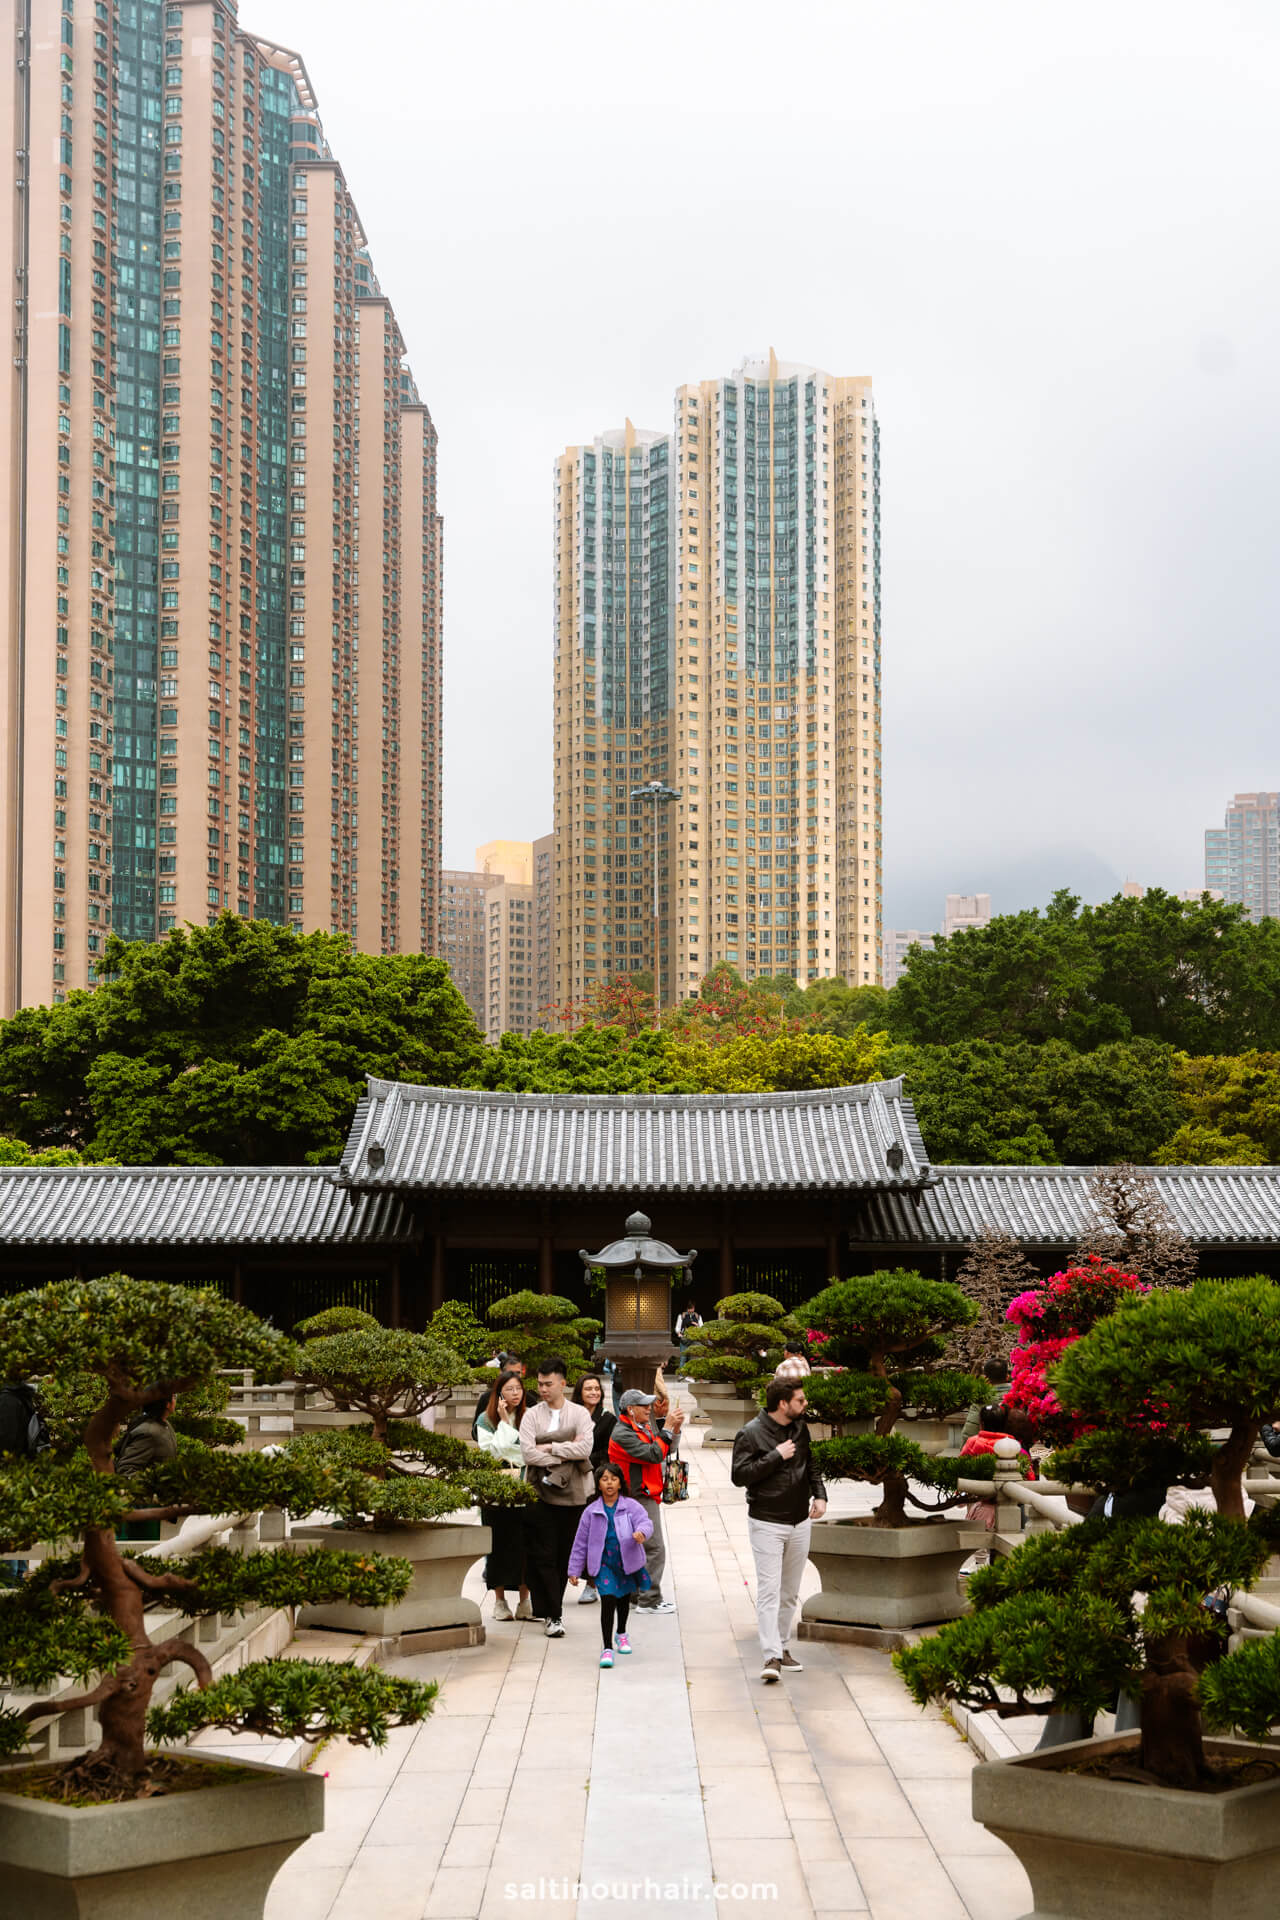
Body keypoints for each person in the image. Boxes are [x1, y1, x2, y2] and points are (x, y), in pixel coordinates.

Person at [731, 1377, 827, 1684]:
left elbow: (811, 1464)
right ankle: (770, 1656)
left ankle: (783, 1647)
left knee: (789, 1592)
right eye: (800, 1400)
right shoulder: (750, 1432)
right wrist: (775, 1456)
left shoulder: (800, 1428)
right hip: (767, 1521)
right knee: (769, 1591)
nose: (805, 1403)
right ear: (783, 1404)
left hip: (800, 1521)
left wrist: (820, 1494)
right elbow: (739, 1475)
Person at [518, 1356, 595, 1638]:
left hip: (572, 1496)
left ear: (563, 1384)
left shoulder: (579, 1414)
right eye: (540, 1383)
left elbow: (585, 1449)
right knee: (543, 1554)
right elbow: (528, 1454)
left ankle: (553, 1610)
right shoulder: (531, 1415)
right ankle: (553, 1613)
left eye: (548, 1384)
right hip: (538, 1492)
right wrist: (564, 1450)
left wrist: (549, 1447)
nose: (543, 1389)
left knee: (563, 1555)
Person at [567, 1463, 653, 1668]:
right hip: (604, 1564)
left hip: (626, 1562)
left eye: (614, 1479)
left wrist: (641, 1533)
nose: (609, 1483)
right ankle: (607, 1648)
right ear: (598, 1485)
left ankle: (621, 1633)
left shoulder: (630, 1506)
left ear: (620, 1483)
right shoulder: (591, 1512)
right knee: (608, 1600)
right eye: (604, 1479)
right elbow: (580, 1543)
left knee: (623, 1599)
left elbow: (646, 1522)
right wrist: (574, 1570)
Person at [608, 1388, 683, 1614]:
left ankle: (636, 1595)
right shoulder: (622, 1433)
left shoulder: (641, 1427)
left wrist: (673, 1428)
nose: (649, 1408)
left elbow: (665, 1449)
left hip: (643, 1493)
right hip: (638, 1496)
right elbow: (653, 1454)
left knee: (637, 1546)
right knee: (654, 1548)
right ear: (630, 1410)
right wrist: (666, 1427)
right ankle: (649, 1600)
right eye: (644, 1405)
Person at [475, 1370, 533, 1622]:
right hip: (495, 1495)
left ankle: (525, 1601)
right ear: (498, 1393)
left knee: (525, 1548)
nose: (515, 1393)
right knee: (497, 1547)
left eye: (518, 1388)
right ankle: (499, 1601)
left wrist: (509, 1444)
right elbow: (491, 1454)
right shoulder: (485, 1419)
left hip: (524, 1489)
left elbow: (528, 1453)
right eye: (509, 1389)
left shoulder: (530, 1416)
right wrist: (505, 1423)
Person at [571, 1372, 617, 1606]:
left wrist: (582, 1456)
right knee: (572, 1531)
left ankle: (592, 1584)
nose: (593, 1392)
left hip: (594, 1481)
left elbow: (608, 1452)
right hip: (570, 1480)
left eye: (597, 1389)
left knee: (595, 1533)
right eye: (588, 1388)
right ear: (580, 1392)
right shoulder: (570, 1416)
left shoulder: (608, 1419)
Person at [113, 1394, 178, 1476]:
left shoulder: (165, 1424)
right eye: (174, 1397)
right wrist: (153, 1483)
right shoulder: (148, 1432)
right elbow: (125, 1469)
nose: (176, 1399)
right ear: (167, 1404)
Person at [471, 1354, 530, 1440]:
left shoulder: (529, 1403)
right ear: (501, 1373)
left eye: (518, 1373)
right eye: (510, 1373)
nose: (514, 1376)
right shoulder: (486, 1400)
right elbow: (477, 1434)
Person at [961, 1358, 1010, 1444]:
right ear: (1007, 1376)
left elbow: (969, 1432)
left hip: (986, 1448)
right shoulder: (1018, 1395)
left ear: (986, 1378)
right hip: (1014, 1447)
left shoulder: (980, 1400)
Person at [675, 1301, 702, 1375]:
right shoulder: (682, 1316)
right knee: (683, 1357)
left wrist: (696, 1325)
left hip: (694, 1339)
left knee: (693, 1358)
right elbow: (678, 1327)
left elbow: (701, 1327)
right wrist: (679, 1334)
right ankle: (681, 1375)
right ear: (687, 1309)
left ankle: (692, 1375)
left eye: (692, 1308)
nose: (691, 1310)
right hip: (684, 1338)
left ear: (694, 1308)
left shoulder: (697, 1316)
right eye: (689, 1309)